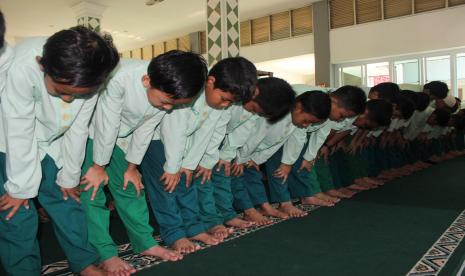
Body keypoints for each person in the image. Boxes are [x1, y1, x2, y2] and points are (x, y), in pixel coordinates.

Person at [0, 26, 119, 276]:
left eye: (79, 95)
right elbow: (19, 128)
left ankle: (83, 262)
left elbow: (78, 128)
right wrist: (20, 188)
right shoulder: (22, 65)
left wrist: (69, 175)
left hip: (51, 142)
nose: (68, 100)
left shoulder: (92, 73)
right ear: (42, 66)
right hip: (8, 143)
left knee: (68, 199)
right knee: (17, 211)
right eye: (62, 91)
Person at [79, 51, 208, 274]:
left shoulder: (161, 91)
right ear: (146, 81)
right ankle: (105, 253)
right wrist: (99, 166)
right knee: (92, 191)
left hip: (122, 138)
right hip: (92, 132)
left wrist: (132, 168)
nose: (168, 108)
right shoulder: (119, 78)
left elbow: (146, 127)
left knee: (131, 187)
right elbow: (106, 124)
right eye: (166, 102)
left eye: (173, 105)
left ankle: (145, 242)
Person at [140, 57, 257, 254]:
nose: (226, 104)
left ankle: (194, 228)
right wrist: (173, 167)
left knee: (187, 182)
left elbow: (209, 133)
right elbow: (173, 130)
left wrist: (192, 164)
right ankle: (174, 234)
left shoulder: (219, 104)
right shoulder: (188, 88)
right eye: (225, 98)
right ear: (210, 82)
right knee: (166, 187)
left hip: (183, 143)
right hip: (157, 139)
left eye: (231, 102)